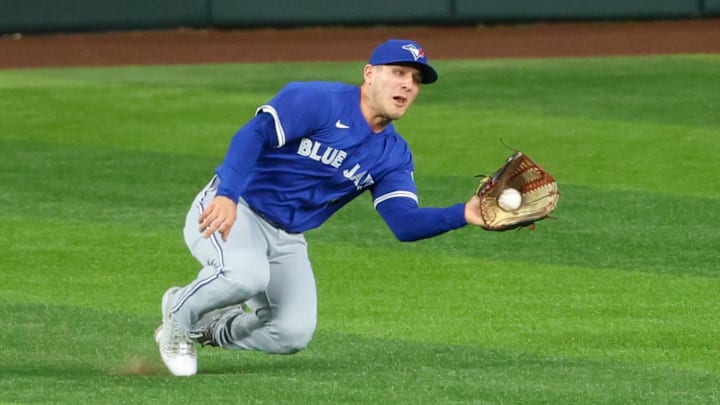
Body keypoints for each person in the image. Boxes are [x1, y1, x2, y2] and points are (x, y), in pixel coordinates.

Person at [155, 39, 490, 376]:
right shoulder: (320, 101)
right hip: (235, 207)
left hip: (287, 236)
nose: (407, 84)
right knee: (246, 276)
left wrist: (465, 213)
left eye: (416, 80)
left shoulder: (394, 154)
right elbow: (253, 134)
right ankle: (178, 321)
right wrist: (227, 193)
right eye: (399, 72)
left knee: (291, 332)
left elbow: (404, 223)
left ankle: (213, 327)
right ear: (369, 74)